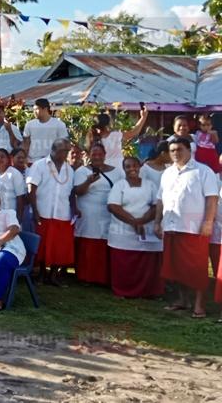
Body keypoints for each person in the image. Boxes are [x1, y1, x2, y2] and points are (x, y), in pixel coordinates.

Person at [154, 138, 218, 319]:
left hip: (194, 229)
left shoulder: (203, 171)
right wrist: (157, 222)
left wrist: (208, 222)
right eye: (172, 150)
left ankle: (199, 304)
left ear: (189, 150)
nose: (176, 153)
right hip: (171, 226)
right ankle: (183, 300)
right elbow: (160, 200)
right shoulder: (167, 173)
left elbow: (212, 199)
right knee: (175, 267)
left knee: (196, 268)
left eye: (179, 149)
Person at [106, 157, 163, 298]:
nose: (132, 169)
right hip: (123, 232)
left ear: (140, 167)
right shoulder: (119, 185)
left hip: (146, 230)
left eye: (134, 165)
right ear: (123, 169)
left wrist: (143, 220)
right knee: (124, 265)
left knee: (147, 264)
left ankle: (147, 291)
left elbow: (156, 205)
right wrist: (134, 222)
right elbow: (113, 206)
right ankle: (123, 291)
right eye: (127, 166)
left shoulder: (150, 185)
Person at [73, 143, 124, 285]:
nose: (97, 157)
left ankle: (105, 277)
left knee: (106, 242)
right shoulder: (82, 171)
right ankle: (87, 277)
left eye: (99, 154)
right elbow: (78, 192)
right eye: (93, 154)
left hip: (109, 212)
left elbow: (122, 190)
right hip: (89, 213)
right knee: (89, 243)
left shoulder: (117, 172)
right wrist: (88, 181)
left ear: (105, 155)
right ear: (89, 155)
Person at [27, 138, 74, 286]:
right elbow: (31, 189)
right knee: (42, 246)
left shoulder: (69, 169)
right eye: (63, 151)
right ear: (54, 150)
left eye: (67, 151)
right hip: (43, 212)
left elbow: (72, 192)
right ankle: (41, 274)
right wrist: (35, 211)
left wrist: (75, 209)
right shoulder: (39, 165)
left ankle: (53, 275)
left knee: (59, 247)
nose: (66, 154)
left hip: (62, 213)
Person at [89, 106, 148, 170]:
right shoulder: (115, 135)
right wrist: (143, 117)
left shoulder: (93, 139)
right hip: (118, 168)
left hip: (102, 168)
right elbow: (134, 132)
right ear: (108, 124)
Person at [23, 98, 69, 163]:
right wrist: (24, 159)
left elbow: (63, 144)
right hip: (33, 162)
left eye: (36, 109)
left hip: (52, 161)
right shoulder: (29, 124)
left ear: (45, 109)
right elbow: (26, 143)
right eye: (33, 110)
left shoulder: (59, 124)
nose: (34, 112)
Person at [0, 148, 26, 223]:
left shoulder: (14, 173)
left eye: (2, 157)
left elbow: (20, 198)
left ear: (8, 159)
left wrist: (18, 218)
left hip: (11, 214)